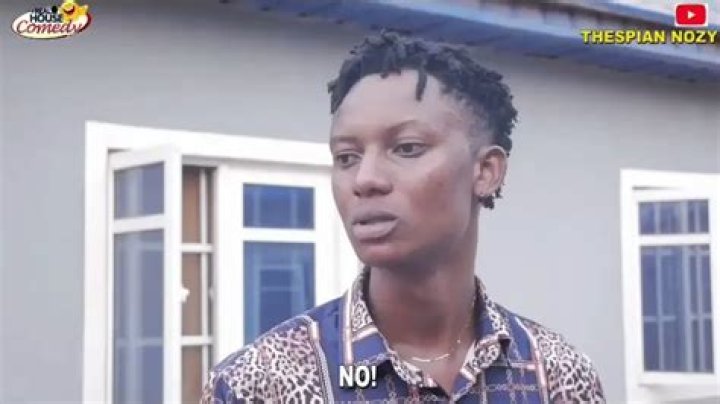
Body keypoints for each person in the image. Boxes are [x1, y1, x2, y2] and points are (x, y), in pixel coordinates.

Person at [202, 31, 605, 403]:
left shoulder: (556, 375)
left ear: (485, 171)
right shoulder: (259, 383)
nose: (365, 179)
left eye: (407, 148)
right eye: (347, 157)